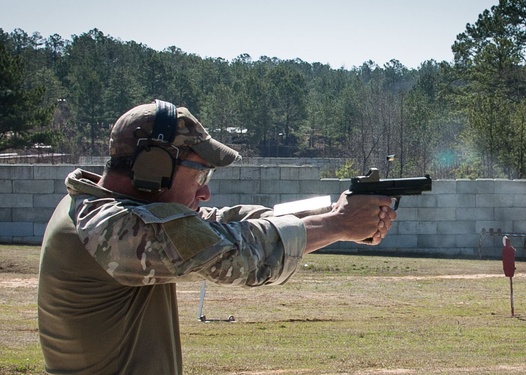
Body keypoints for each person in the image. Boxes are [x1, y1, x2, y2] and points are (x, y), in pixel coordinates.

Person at [37, 99, 397, 374]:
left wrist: (330, 214)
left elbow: (219, 222)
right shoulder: (109, 229)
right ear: (154, 168)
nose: (205, 193)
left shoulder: (101, 206)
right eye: (201, 176)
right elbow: (233, 255)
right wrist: (338, 225)